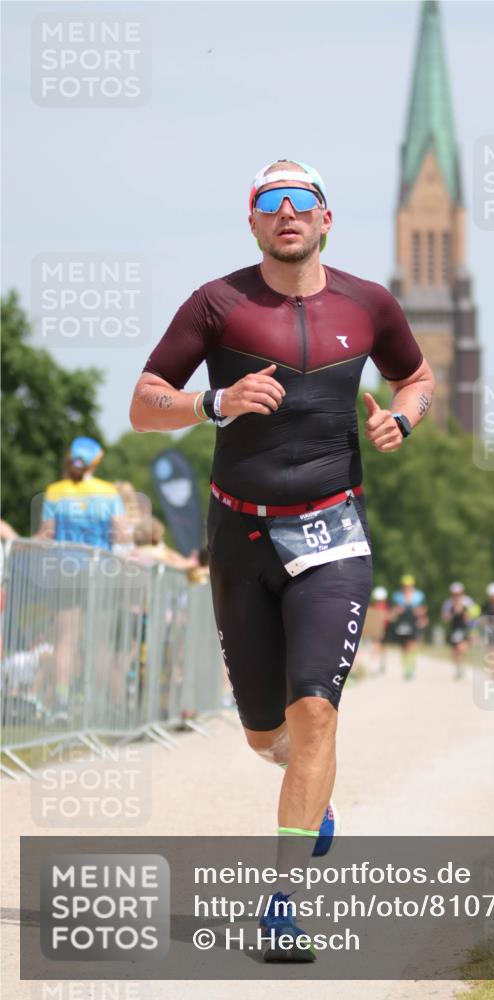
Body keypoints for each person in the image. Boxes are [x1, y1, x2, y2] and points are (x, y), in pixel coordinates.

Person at [129, 158, 435, 960]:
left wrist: (406, 417)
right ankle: (311, 796)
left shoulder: (370, 304)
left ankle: (284, 902)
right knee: (265, 731)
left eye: (303, 201)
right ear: (254, 220)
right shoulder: (217, 303)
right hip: (239, 533)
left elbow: (418, 377)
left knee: (316, 712)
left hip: (334, 530)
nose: (287, 213)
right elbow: (143, 401)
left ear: (326, 218)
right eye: (271, 202)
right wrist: (213, 402)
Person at [37, 437, 127, 718]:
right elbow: (121, 534)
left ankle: (61, 704)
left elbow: (47, 534)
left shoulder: (55, 491)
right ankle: (95, 705)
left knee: (65, 641)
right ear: (96, 462)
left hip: (65, 570)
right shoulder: (108, 491)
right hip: (101, 571)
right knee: (100, 641)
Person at [389, 574, 429, 680]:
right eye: (405, 586)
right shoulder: (397, 596)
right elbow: (392, 612)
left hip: (414, 623)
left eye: (409, 586)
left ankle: (412, 669)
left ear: (412, 586)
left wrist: (421, 616)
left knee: (412, 645)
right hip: (402, 624)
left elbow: (424, 609)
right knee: (404, 647)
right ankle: (406, 669)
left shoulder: (419, 596)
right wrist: (396, 611)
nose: (407, 588)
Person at [441, 581, 472, 679]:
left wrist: (464, 613)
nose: (456, 596)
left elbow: (471, 616)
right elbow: (445, 618)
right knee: (455, 651)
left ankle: (463, 667)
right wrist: (453, 612)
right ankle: (458, 668)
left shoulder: (467, 602)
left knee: (462, 648)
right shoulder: (448, 603)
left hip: (464, 628)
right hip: (454, 628)